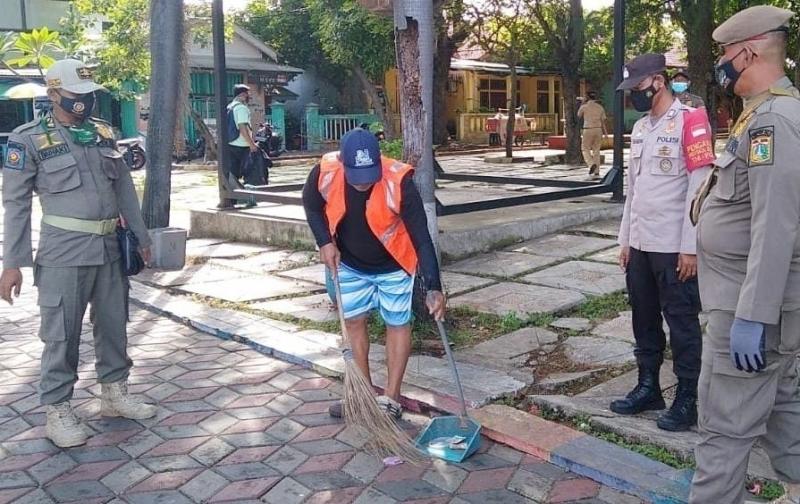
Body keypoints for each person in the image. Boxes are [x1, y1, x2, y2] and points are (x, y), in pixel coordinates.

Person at [0, 59, 157, 448]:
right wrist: (12, 263)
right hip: (62, 252)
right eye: (75, 96)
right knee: (61, 334)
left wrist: (142, 238)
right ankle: (58, 409)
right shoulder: (29, 139)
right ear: (53, 95)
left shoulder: (103, 135)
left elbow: (124, 190)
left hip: (109, 249)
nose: (84, 103)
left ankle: (113, 394)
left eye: (88, 95)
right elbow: (16, 204)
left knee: (114, 323)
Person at [688, 6, 800, 503]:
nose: (721, 63)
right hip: (750, 304)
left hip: (746, 311)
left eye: (725, 54)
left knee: (723, 433)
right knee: (786, 419)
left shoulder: (774, 122)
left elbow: (776, 225)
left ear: (748, 51)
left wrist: (751, 317)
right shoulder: (761, 113)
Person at [302, 128, 446, 419]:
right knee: (353, 323)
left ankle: (391, 399)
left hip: (393, 265)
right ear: (344, 164)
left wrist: (433, 286)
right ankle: (364, 396)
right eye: (357, 178)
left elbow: (421, 237)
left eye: (370, 176)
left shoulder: (399, 181)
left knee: (397, 322)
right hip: (350, 263)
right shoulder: (325, 171)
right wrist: (324, 242)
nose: (364, 185)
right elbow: (312, 205)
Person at [612, 53, 714, 433]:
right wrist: (625, 240)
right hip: (641, 243)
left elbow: (699, 188)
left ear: (658, 80)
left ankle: (687, 398)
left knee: (682, 323)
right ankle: (648, 386)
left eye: (638, 88)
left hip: (674, 245)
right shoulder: (640, 128)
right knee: (644, 318)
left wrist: (691, 246)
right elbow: (634, 190)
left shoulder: (691, 120)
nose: (634, 96)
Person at [222, 83, 259, 208]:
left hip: (231, 143)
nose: (249, 96)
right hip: (241, 144)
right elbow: (243, 128)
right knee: (247, 173)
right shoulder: (241, 108)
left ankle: (232, 199)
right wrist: (252, 144)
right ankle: (246, 198)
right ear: (243, 95)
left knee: (233, 172)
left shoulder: (230, 106)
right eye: (248, 94)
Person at [577, 91, 607, 178]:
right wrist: (605, 133)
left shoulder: (584, 107)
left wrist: (582, 103)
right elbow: (603, 121)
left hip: (588, 129)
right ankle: (597, 171)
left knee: (585, 149)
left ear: (587, 97)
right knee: (596, 150)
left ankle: (591, 164)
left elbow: (578, 115)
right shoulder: (600, 107)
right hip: (598, 129)